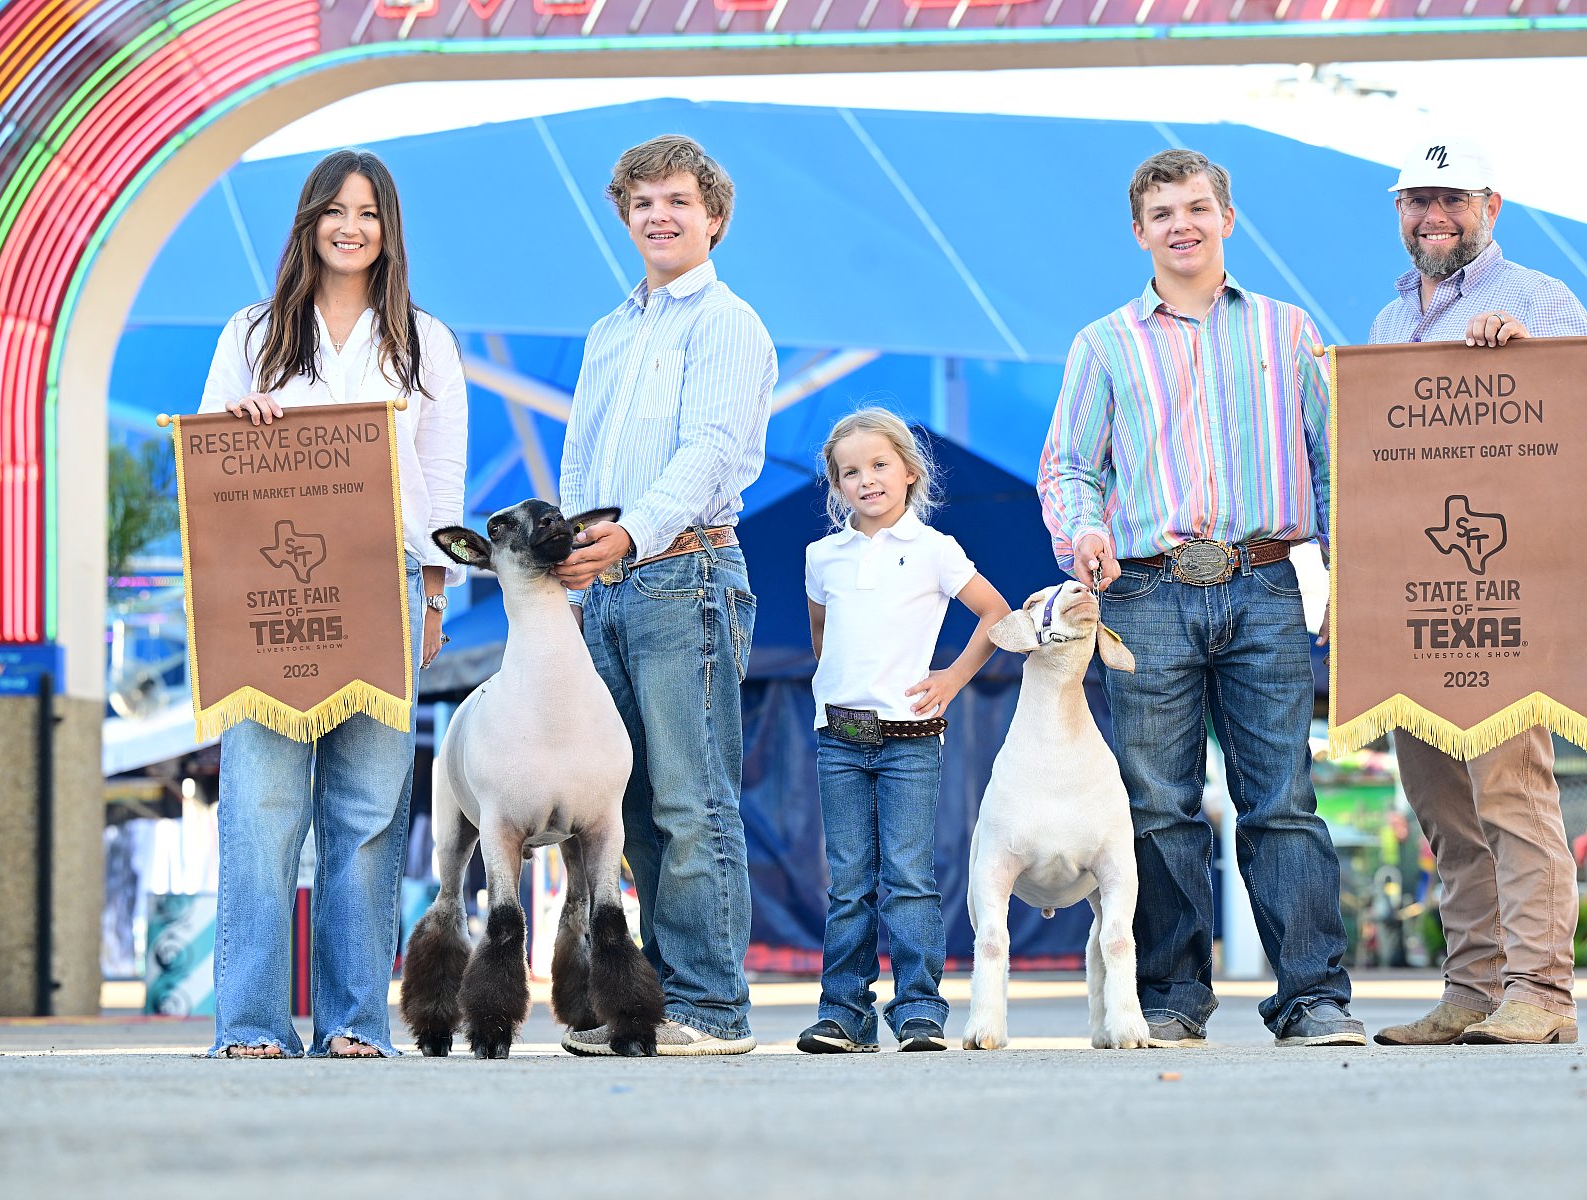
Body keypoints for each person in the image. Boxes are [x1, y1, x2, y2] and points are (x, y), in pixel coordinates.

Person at [1038, 148, 1364, 1048]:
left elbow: (1335, 469)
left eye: (1196, 207)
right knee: (1156, 805)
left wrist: (1351, 580)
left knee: (1283, 798)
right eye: (1162, 213)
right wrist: (1084, 534)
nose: (1181, 224)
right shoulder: (1102, 343)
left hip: (1266, 585)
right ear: (1138, 232)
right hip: (1146, 591)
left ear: (1227, 216)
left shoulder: (1291, 333)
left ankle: (1313, 999)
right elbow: (1068, 465)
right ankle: (1171, 998)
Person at [199, 148, 466, 1058]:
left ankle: (354, 1022)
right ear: (309, 220)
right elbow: (204, 465)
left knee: (366, 814)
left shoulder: (426, 342)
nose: (351, 228)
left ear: (390, 231)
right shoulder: (252, 333)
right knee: (262, 812)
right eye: (335, 211)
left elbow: (441, 478)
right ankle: (250, 1024)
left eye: (370, 213)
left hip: (386, 581)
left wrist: (434, 596)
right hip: (268, 591)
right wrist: (238, 427)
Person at [1367, 137, 1587, 1048]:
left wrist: (1528, 358)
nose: (1434, 217)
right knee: (1444, 811)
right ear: (1398, 212)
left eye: (1452, 200)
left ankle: (1543, 994)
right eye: (1416, 202)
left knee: (1514, 797)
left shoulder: (1540, 297)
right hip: (1414, 599)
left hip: (1507, 597)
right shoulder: (1389, 324)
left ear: (1491, 206)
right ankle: (1473, 990)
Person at [552, 135, 776, 1056]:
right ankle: (653, 1007)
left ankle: (713, 1009)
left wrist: (630, 536)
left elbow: (711, 453)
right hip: (603, 589)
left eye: (678, 201)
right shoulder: (609, 333)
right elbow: (579, 458)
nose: (660, 216)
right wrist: (573, 564)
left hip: (684, 572)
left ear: (713, 216)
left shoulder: (728, 323)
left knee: (693, 802)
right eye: (643, 203)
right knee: (631, 811)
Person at [797, 407, 1011, 1055]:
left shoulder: (934, 552)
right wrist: (841, 688)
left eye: (879, 465)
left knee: (911, 875)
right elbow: (820, 634)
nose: (866, 480)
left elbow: (996, 613)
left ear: (910, 472)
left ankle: (918, 1009)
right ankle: (844, 1012)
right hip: (839, 736)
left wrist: (950, 679)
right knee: (850, 880)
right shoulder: (822, 555)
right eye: (850, 472)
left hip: (911, 740)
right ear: (836, 487)